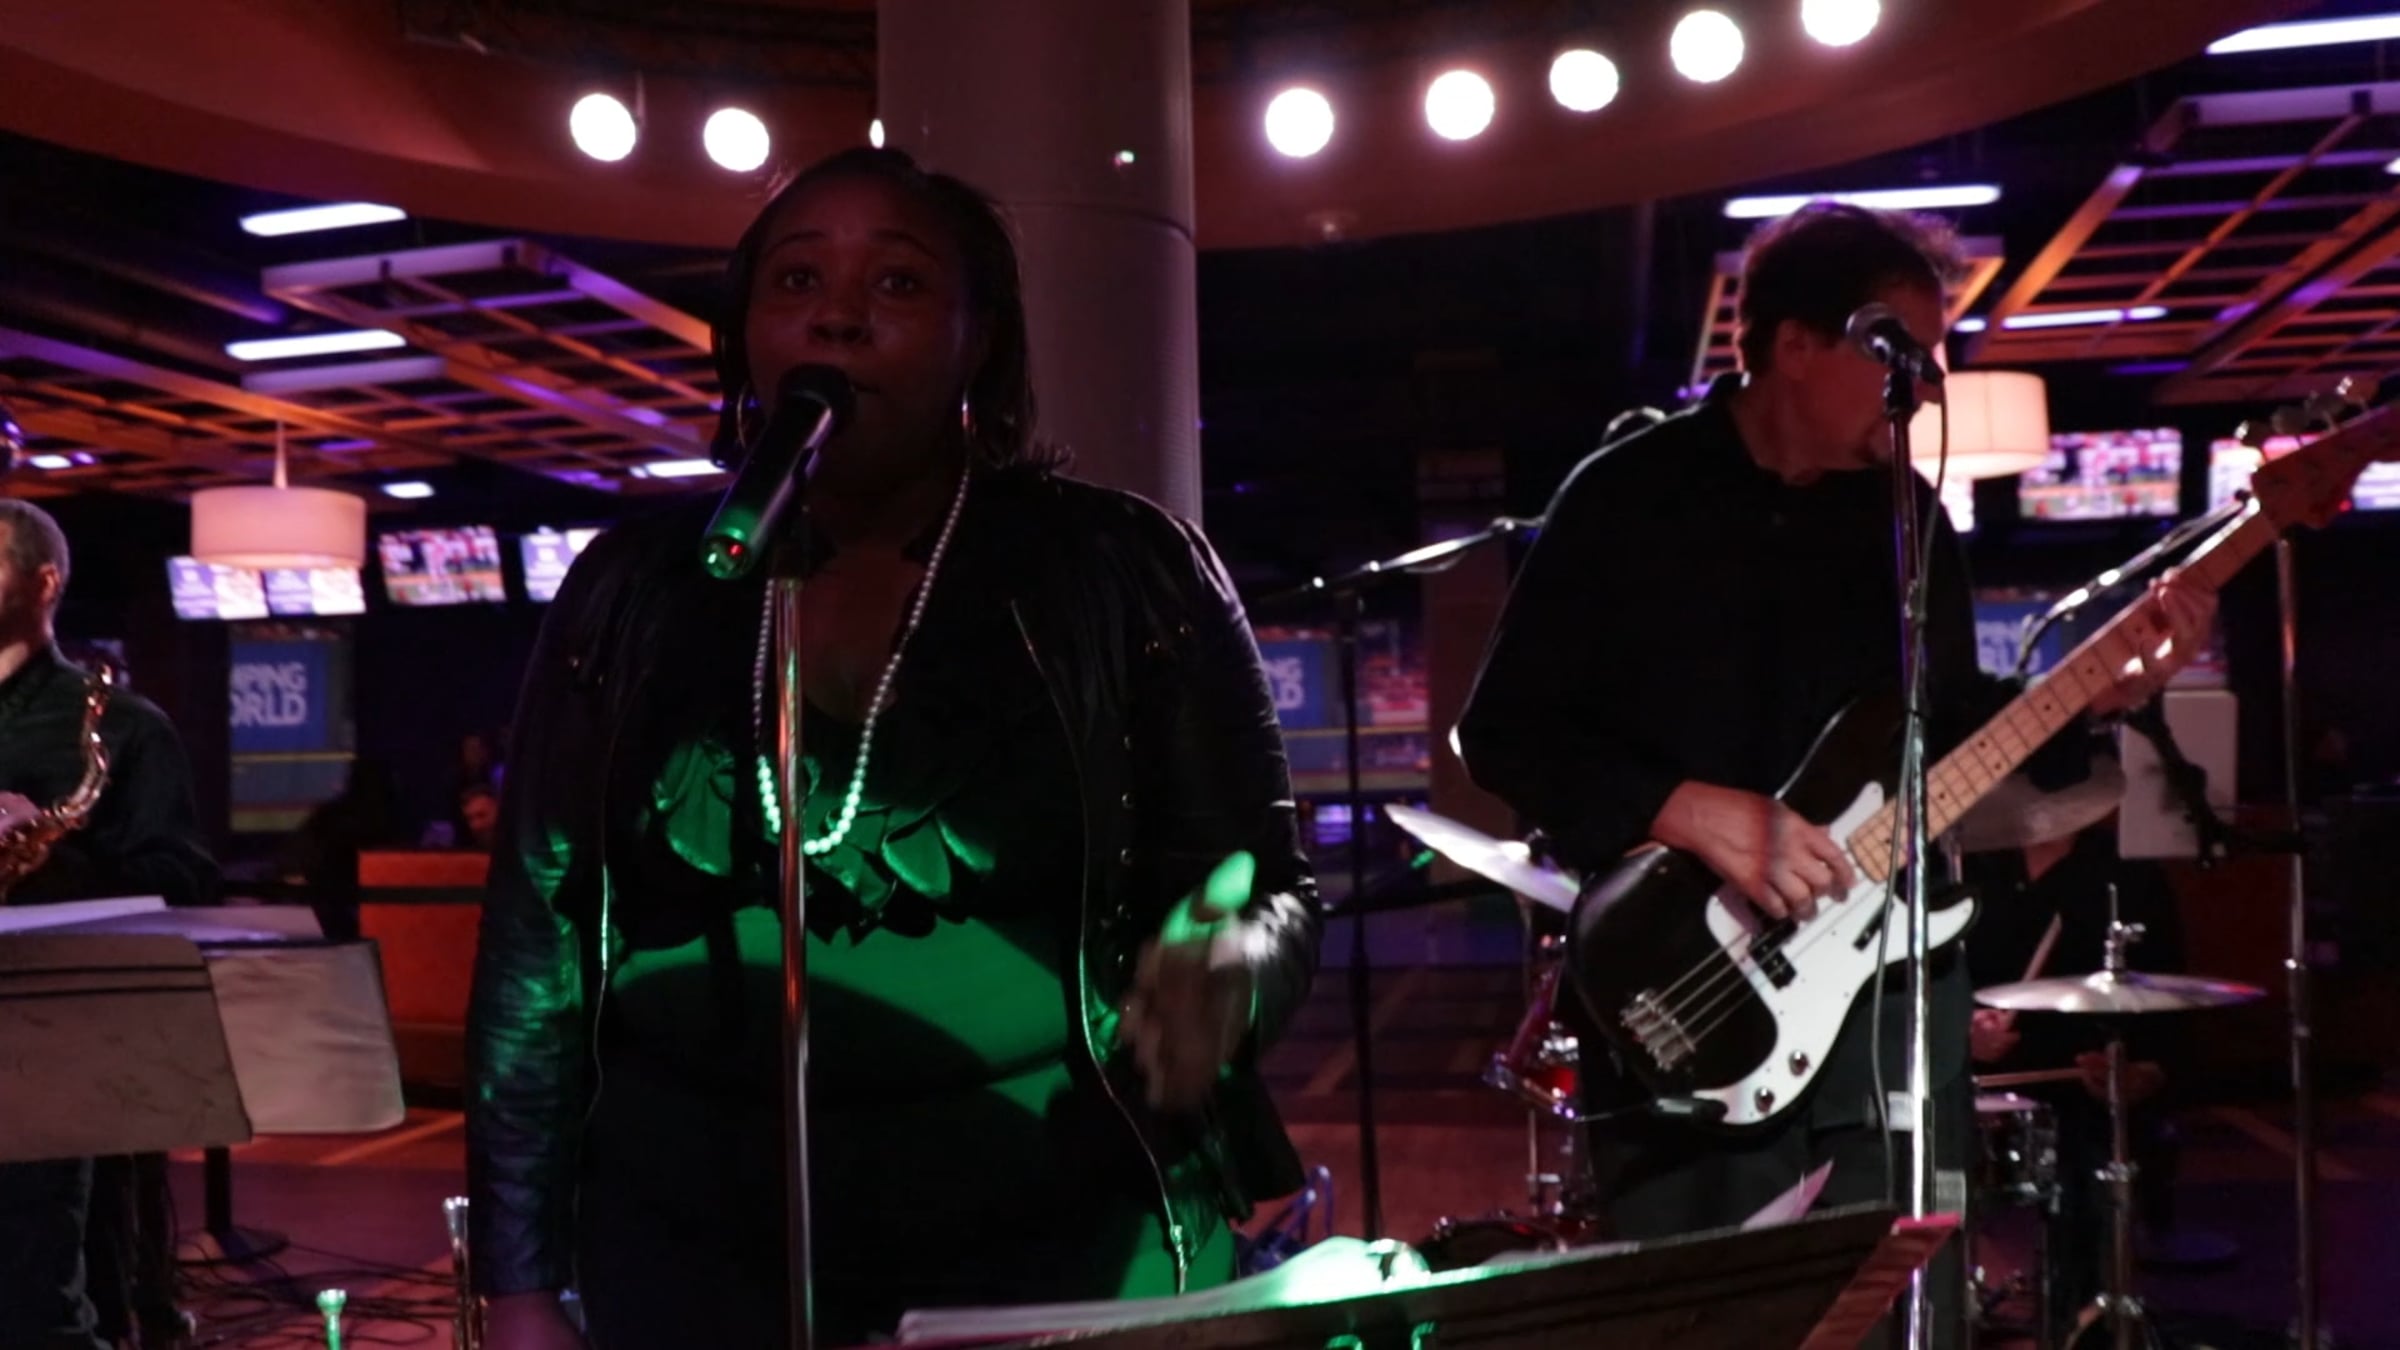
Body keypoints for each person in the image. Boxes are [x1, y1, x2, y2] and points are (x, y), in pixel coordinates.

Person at [467, 147, 1320, 1350]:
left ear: (983, 340)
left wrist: (1235, 967)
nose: (839, 315)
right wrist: (517, 1282)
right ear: (744, 335)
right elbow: (536, 939)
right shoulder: (635, 586)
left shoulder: (1122, 570)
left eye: (900, 283)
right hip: (684, 1248)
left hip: (1057, 1231)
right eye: (796, 279)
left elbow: (1272, 889)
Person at [1454, 204, 2214, 1344]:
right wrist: (1683, 809)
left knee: (1893, 1312)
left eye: (1932, 357)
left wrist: (2101, 690)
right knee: (1713, 1324)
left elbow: (1951, 744)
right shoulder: (1629, 494)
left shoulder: (1906, 517)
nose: (1924, 387)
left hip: (1883, 998)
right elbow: (1503, 731)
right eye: (1894, 351)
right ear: (1794, 345)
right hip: (1688, 990)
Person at [0, 497, 219, 1350]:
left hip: (52, 1047)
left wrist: (53, 855)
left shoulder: (122, 725)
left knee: (40, 1297)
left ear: (43, 582)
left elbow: (184, 880)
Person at [1965, 816, 2189, 1342]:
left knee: (2089, 1165)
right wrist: (1962, 1032)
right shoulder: (1964, 867)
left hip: (2084, 1090)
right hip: (1977, 1084)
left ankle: (2083, 1323)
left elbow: (2171, 1004)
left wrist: (2142, 1071)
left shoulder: (2128, 873)